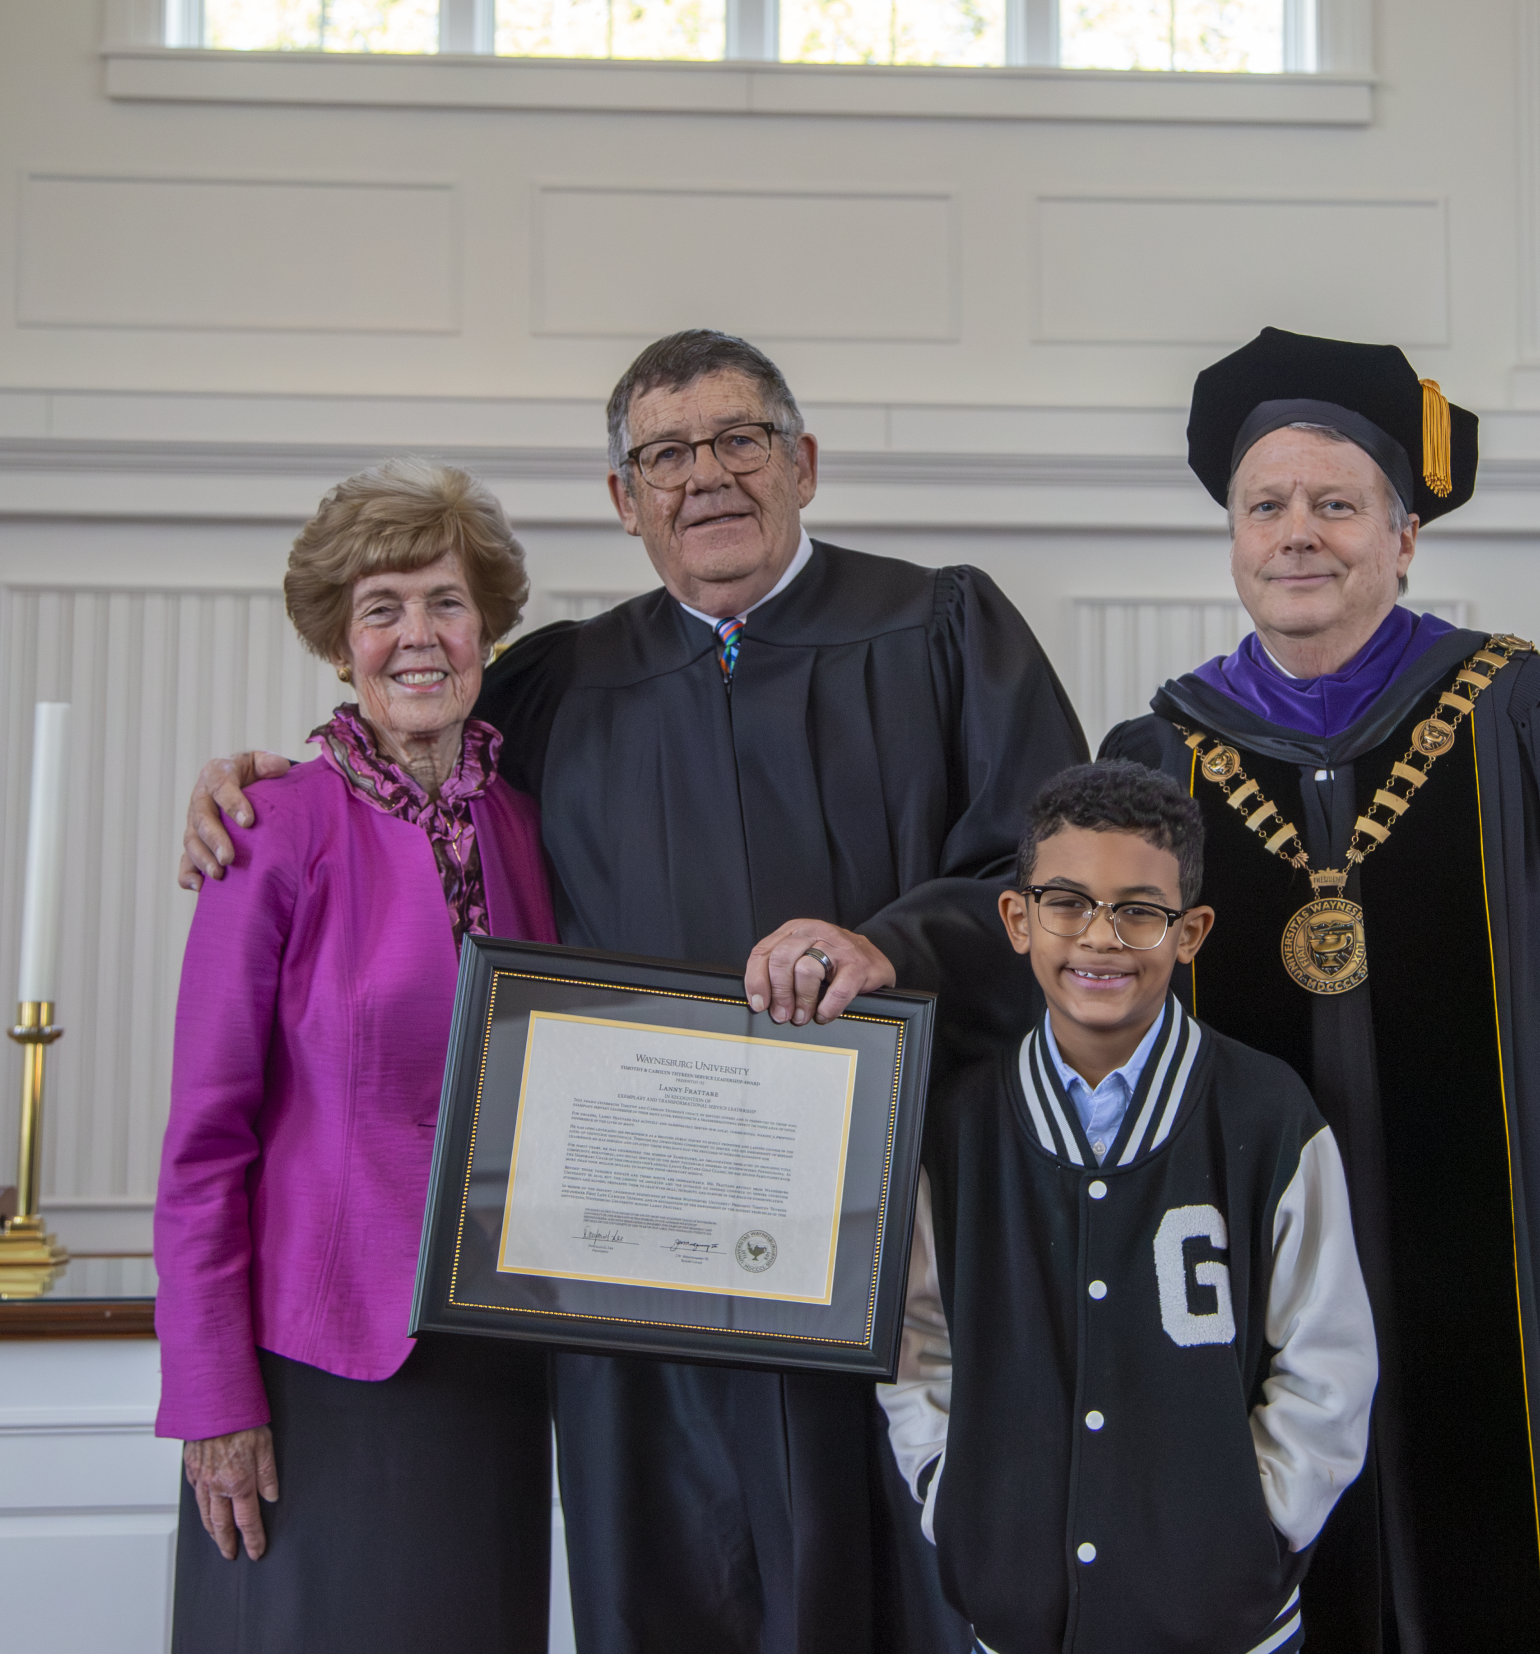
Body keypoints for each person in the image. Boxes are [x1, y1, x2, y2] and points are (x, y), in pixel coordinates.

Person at [176, 331, 1088, 1653]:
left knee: (896, 1585)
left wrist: (895, 944)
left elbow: (1056, 880)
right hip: (631, 1287)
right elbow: (405, 764)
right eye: (664, 455)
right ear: (624, 500)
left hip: (877, 1252)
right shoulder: (563, 682)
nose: (703, 476)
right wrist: (247, 781)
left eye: (738, 440)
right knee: (670, 1584)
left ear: (804, 464)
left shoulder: (941, 629)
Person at [1099, 328, 1540, 1654]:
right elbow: (1104, 1024)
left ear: (1404, 536)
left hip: (1505, 1253)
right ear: (1232, 537)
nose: (1300, 533)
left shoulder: (1531, 717)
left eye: (1337, 504)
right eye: (1267, 505)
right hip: (1245, 1270)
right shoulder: (1158, 756)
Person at [154, 460, 559, 1651]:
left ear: (486, 624)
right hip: (314, 1365)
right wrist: (212, 1394)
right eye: (381, 608)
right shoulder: (269, 828)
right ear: (340, 643)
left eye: (443, 600)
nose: (417, 635)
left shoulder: (534, 821)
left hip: (496, 1354)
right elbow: (202, 1141)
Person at [880, 761, 1378, 1654]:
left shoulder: (1268, 1114)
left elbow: (1327, 1357)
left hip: (1225, 1619)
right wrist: (950, 1496)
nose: (1101, 938)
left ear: (1189, 933)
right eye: (1067, 902)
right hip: (1019, 1617)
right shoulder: (956, 1131)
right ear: (1017, 917)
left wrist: (1256, 1521)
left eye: (1139, 910)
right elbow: (918, 1342)